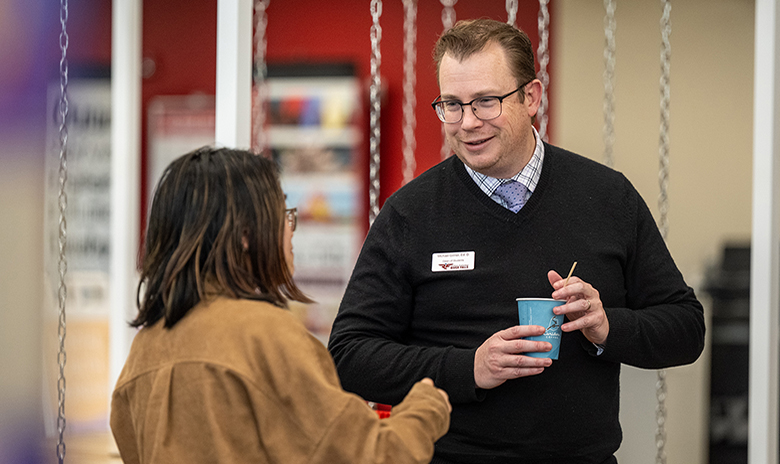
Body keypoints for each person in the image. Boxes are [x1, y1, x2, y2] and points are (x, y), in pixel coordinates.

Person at [328, 19, 705, 464]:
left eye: (486, 102)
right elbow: (349, 355)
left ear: (531, 97)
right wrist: (470, 368)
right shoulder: (411, 213)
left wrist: (606, 328)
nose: (467, 123)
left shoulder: (607, 197)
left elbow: (686, 328)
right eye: (452, 104)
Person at [110, 147, 452, 464]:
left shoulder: (146, 345)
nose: (291, 232)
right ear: (246, 233)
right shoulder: (263, 333)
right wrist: (425, 406)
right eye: (283, 214)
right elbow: (373, 455)